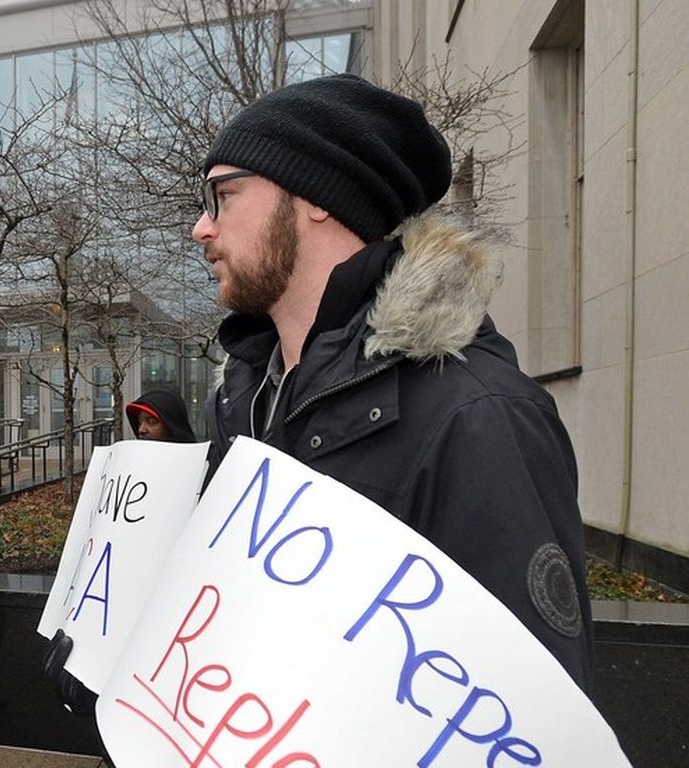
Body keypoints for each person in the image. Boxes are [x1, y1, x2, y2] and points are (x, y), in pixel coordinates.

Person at [194, 74, 593, 687]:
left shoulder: (480, 414)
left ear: (315, 197)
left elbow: (524, 713)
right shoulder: (246, 398)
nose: (203, 227)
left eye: (223, 195)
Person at [124, 390, 197, 442]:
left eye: (151, 422)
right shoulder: (134, 460)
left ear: (171, 426)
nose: (141, 429)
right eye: (139, 423)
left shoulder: (195, 461)